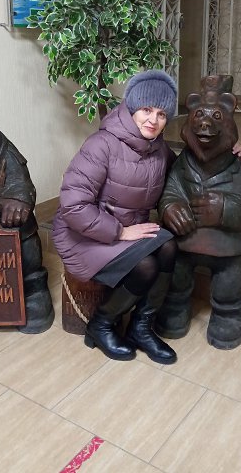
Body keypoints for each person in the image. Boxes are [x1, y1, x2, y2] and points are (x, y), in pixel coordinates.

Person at [53, 70, 179, 364]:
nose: (153, 120)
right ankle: (100, 325)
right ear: (132, 108)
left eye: (162, 114)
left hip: (125, 231)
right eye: (146, 109)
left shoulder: (159, 149)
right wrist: (120, 232)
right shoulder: (102, 144)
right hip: (82, 236)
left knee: (169, 246)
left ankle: (141, 328)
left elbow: (183, 169)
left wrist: (228, 150)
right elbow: (73, 205)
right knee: (146, 265)